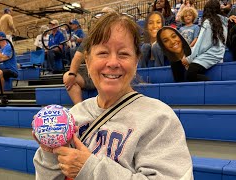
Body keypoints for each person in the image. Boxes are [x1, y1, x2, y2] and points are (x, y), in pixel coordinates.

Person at [33, 12, 193, 179]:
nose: (113, 63)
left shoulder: (159, 119)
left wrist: (91, 169)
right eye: (103, 53)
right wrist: (50, 152)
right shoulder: (73, 116)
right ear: (87, 61)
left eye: (123, 54)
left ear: (136, 62)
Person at [158, 0, 228, 82]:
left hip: (209, 55)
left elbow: (202, 45)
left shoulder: (208, 22)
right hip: (214, 54)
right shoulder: (224, 22)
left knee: (190, 73)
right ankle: (179, 85)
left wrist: (189, 59)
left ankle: (210, 86)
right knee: (177, 61)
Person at [63, 7, 115, 105]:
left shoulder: (119, 35)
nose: (103, 18)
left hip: (111, 73)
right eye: (102, 15)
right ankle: (80, 109)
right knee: (67, 76)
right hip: (92, 74)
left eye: (107, 15)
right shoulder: (91, 37)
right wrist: (72, 74)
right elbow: (78, 56)